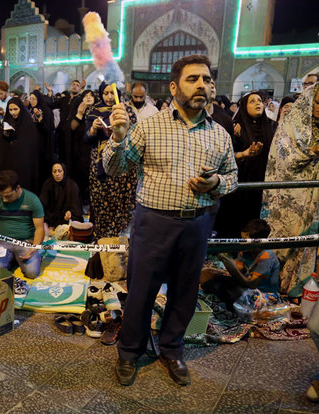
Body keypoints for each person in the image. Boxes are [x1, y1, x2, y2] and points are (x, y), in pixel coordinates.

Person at [102, 55, 238, 387]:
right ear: (175, 87)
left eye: (207, 79)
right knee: (141, 292)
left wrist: (216, 183)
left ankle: (171, 348)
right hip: (153, 223)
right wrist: (118, 138)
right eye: (193, 79)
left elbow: (233, 176)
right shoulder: (150, 126)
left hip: (197, 224)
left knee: (185, 293)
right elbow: (114, 168)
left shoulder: (219, 134)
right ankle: (129, 352)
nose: (202, 86)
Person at [262, 83, 319, 297]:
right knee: (288, 237)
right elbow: (285, 158)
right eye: (318, 102)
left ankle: (301, 288)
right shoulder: (292, 124)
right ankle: (275, 285)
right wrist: (311, 151)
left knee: (310, 240)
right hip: (290, 196)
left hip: (314, 199)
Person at [216, 91, 276, 238]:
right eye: (252, 101)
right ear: (244, 107)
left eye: (260, 101)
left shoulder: (273, 126)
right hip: (242, 184)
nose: (258, 103)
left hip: (263, 182)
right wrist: (236, 140)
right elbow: (227, 157)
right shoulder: (236, 128)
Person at [85, 82, 138, 239]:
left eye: (111, 93)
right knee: (101, 198)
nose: (109, 97)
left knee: (121, 199)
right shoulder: (93, 111)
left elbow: (135, 134)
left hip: (122, 158)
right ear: (101, 94)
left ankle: (120, 236)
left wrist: (120, 131)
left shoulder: (126, 111)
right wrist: (94, 129)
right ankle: (102, 237)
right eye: (105, 93)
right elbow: (86, 139)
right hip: (99, 158)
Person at [0, 170, 44, 278]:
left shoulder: (32, 200)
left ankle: (23, 257)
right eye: (2, 195)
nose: (4, 199)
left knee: (32, 273)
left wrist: (34, 248)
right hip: (3, 242)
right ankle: (13, 258)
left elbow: (39, 229)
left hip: (25, 242)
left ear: (17, 188)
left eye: (7, 195)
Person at [210, 219, 280, 302]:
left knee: (237, 292)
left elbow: (252, 284)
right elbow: (238, 272)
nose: (242, 243)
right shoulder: (245, 250)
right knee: (214, 279)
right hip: (247, 288)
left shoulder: (266, 255)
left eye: (245, 240)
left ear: (256, 241)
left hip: (264, 294)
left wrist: (230, 264)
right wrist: (224, 259)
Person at [0, 97, 39, 192]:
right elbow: (1, 145)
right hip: (8, 162)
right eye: (10, 110)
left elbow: (30, 144)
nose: (13, 112)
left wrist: (16, 142)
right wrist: (5, 135)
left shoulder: (28, 123)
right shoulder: (7, 121)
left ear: (21, 108)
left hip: (23, 163)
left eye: (15, 109)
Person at [39, 162, 83, 230]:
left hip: (66, 221)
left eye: (59, 171)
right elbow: (42, 205)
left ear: (64, 172)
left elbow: (77, 209)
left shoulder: (72, 185)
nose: (57, 174)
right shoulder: (48, 184)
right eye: (54, 171)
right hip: (51, 221)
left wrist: (70, 213)